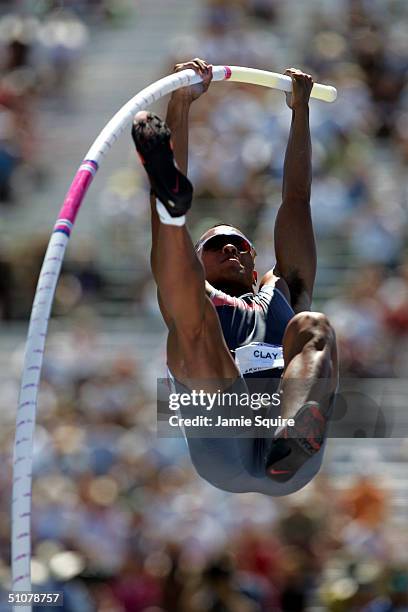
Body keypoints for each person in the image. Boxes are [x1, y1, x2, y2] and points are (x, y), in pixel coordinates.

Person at [132, 58, 338, 496]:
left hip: (285, 451)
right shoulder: (194, 290)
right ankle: (172, 208)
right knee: (190, 310)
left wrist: (300, 112)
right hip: (225, 438)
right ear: (198, 259)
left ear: (255, 258)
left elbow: (297, 200)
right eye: (213, 245)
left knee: (312, 324)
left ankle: (295, 432)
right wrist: (181, 103)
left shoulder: (284, 289)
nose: (230, 248)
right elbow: (175, 265)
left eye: (241, 245)